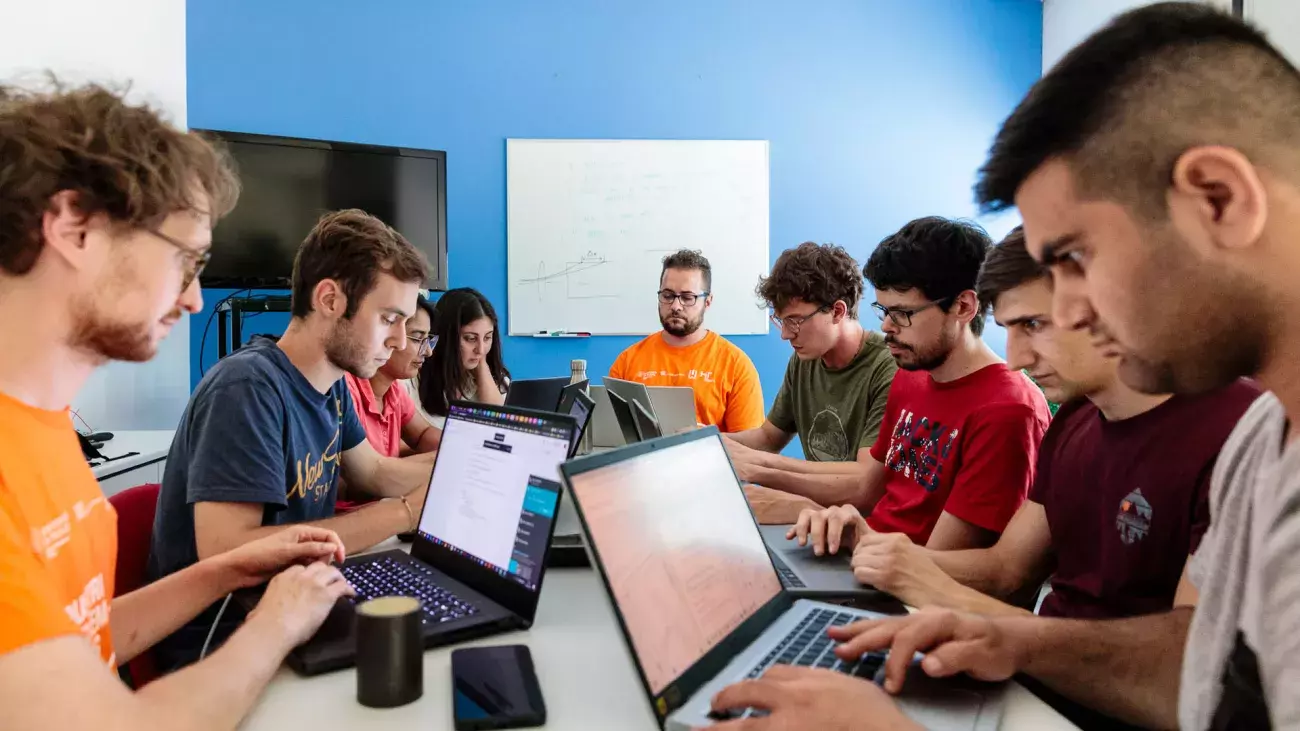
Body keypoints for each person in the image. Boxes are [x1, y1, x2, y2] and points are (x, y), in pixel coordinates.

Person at [712, 5, 1299, 730]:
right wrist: (1006, 634)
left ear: (1219, 199)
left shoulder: (1229, 430)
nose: (1074, 316)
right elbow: (1201, 678)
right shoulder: (1263, 443)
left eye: (1076, 259)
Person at [0, 81, 353, 730]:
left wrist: (222, 571)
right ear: (74, 226)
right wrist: (277, 623)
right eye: (186, 260)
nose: (194, 299)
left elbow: (79, 639)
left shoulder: (45, 429)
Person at [149, 208, 435, 669]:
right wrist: (403, 514)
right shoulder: (246, 389)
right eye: (389, 319)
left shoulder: (333, 387)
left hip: (292, 607)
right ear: (329, 299)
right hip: (223, 641)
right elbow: (228, 550)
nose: (401, 341)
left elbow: (376, 472)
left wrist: (469, 461)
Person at [738, 219, 1051, 550]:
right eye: (884, 310)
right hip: (867, 558)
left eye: (902, 313)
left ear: (962, 306)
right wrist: (806, 512)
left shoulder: (1007, 411)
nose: (886, 326)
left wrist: (806, 510)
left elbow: (936, 570)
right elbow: (868, 491)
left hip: (905, 591)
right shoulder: (910, 376)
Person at [723, 242, 897, 512]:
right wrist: (708, 441)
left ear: (838, 311)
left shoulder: (888, 368)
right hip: (819, 521)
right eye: (780, 321)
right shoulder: (804, 360)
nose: (785, 334)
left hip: (870, 531)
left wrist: (758, 469)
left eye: (794, 321)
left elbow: (866, 485)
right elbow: (768, 438)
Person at [608, 249, 764, 432]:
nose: (675, 306)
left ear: (708, 301)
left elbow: (749, 449)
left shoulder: (736, 366)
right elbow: (611, 436)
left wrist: (706, 441)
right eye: (667, 296)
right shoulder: (627, 362)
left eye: (687, 298)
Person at [413, 287, 509, 427]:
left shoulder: (497, 380)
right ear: (447, 338)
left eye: (487, 337)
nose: (481, 349)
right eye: (470, 338)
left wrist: (482, 367)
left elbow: (500, 426)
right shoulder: (412, 378)